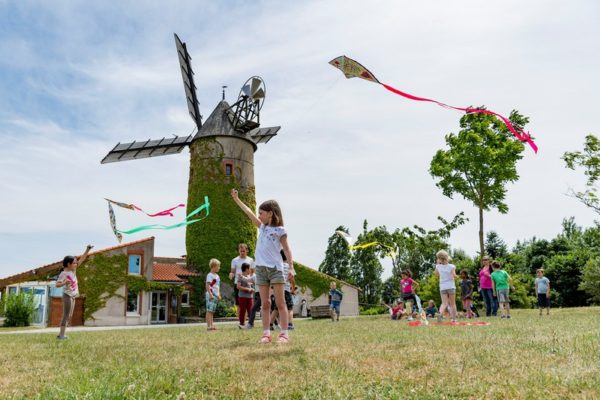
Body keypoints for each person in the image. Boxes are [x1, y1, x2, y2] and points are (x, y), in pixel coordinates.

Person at [231, 189, 294, 344]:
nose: (259, 216)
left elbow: (286, 249)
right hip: (260, 269)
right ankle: (266, 333)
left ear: (270, 213)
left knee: (280, 303)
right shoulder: (262, 227)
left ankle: (284, 334)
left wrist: (291, 267)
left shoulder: (280, 230)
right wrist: (236, 199)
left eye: (261, 213)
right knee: (265, 303)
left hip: (275, 269)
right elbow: (248, 212)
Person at [56, 244, 93, 340]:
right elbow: (57, 284)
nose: (76, 264)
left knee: (70, 315)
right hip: (67, 295)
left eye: (76, 263)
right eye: (74, 263)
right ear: (68, 264)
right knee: (66, 315)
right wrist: (64, 282)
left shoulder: (73, 271)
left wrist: (87, 250)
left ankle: (62, 334)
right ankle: (61, 335)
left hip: (73, 295)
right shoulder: (63, 273)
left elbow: (82, 260)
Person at [434, 250, 458, 323]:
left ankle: (440, 314)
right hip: (451, 286)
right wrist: (456, 276)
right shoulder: (452, 266)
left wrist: (438, 265)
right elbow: (454, 275)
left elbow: (436, 274)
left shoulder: (438, 266)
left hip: (442, 287)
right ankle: (453, 319)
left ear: (439, 258)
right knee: (453, 303)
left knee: (444, 303)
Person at [230, 243, 254, 316]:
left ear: (247, 250)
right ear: (239, 251)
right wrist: (231, 275)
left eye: (244, 251)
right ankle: (240, 320)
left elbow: (253, 272)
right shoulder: (234, 260)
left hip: (248, 284)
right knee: (238, 303)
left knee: (248, 302)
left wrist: (251, 281)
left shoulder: (250, 260)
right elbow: (232, 272)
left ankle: (246, 319)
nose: (242, 253)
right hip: (238, 284)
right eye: (241, 251)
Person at [236, 263, 254, 329]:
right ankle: (241, 324)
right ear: (246, 269)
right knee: (242, 311)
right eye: (249, 268)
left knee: (251, 311)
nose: (250, 269)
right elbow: (238, 286)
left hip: (250, 297)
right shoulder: (240, 276)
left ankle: (250, 324)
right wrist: (248, 289)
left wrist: (252, 289)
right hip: (242, 297)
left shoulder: (249, 277)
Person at [205, 259, 221, 331]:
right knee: (209, 311)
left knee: (212, 311)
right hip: (211, 295)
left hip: (215, 295)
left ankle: (212, 325)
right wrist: (210, 294)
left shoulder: (217, 276)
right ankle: (209, 326)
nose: (219, 268)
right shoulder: (209, 275)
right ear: (214, 266)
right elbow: (207, 285)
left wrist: (219, 294)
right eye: (218, 266)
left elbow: (217, 286)